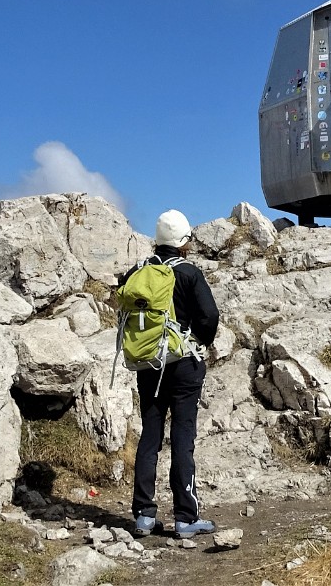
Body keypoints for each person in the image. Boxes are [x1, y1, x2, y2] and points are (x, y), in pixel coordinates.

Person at [121, 210, 219, 538]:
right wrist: (196, 346)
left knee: (150, 434)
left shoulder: (138, 271)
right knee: (182, 434)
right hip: (184, 364)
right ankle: (185, 518)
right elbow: (209, 316)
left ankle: (144, 516)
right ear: (184, 242)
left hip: (148, 361)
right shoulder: (189, 273)